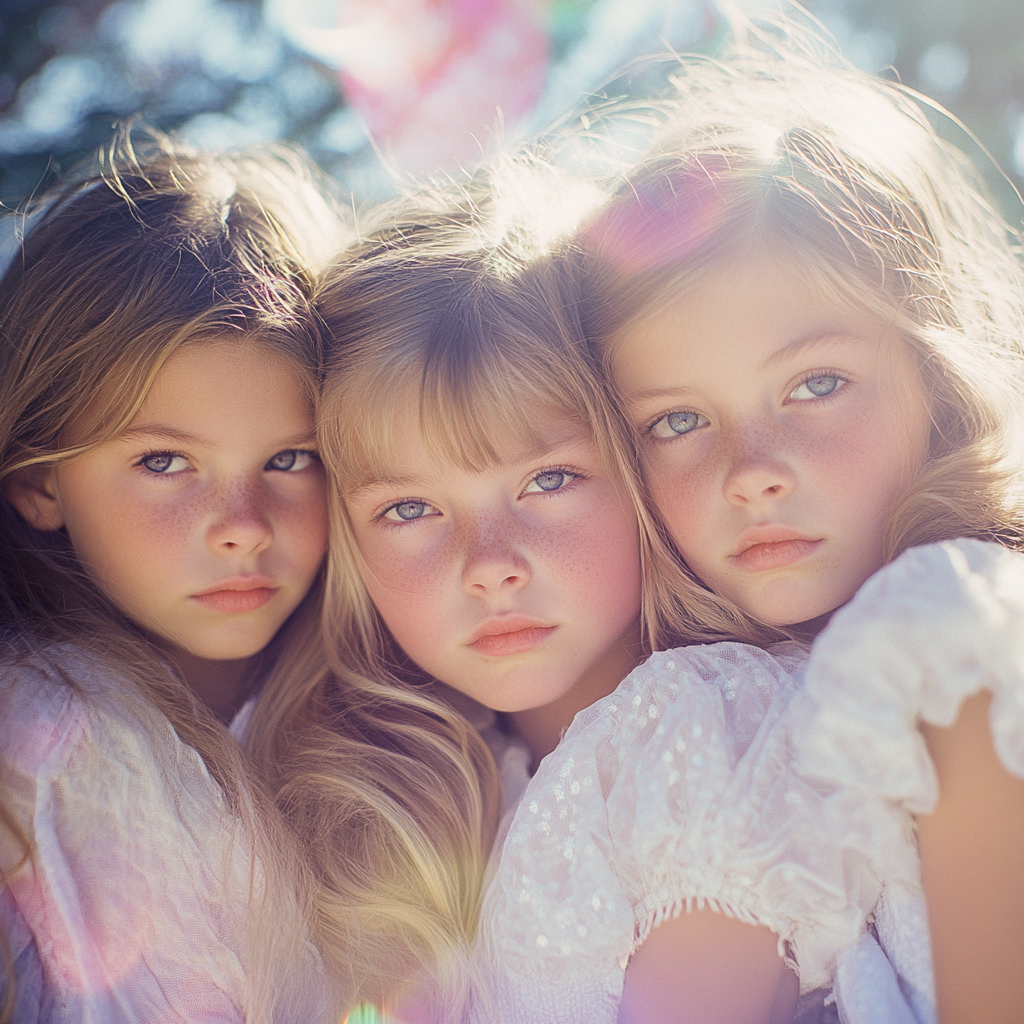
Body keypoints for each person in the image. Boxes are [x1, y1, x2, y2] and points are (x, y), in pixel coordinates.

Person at [314, 172, 884, 1024]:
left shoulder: (702, 724)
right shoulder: (433, 795)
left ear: (641, 465)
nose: (489, 565)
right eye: (409, 509)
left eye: (548, 479)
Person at [575, 36, 1024, 1024]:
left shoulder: (950, 628)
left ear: (934, 376)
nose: (751, 473)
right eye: (678, 422)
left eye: (815, 385)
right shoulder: (722, 705)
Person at [0, 132, 497, 1022]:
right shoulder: (37, 755)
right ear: (40, 481)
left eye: (292, 459)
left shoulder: (417, 722)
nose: (240, 529)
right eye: (163, 462)